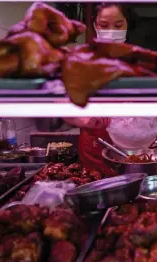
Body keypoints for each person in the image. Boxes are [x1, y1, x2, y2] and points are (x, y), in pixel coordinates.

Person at [63, 3, 130, 175]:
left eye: (118, 25)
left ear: (127, 24)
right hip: (94, 152)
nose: (111, 32)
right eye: (104, 25)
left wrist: (150, 127)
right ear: (95, 26)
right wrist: (80, 119)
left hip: (133, 151)